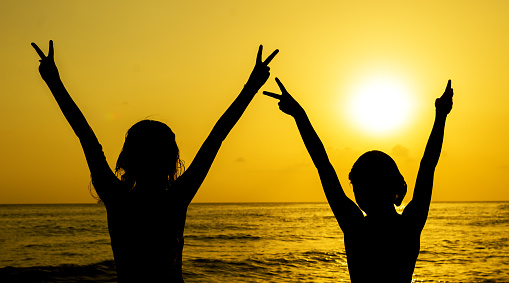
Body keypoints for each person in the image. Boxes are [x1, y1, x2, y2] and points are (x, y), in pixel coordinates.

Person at [31, 40, 278, 283]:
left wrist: (54, 82)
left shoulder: (118, 198)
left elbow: (85, 136)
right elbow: (217, 136)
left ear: (126, 159)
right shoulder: (175, 198)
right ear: (173, 159)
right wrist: (251, 86)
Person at [264, 78, 453, 282]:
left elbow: (323, 166)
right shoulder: (408, 225)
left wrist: (299, 116)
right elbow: (428, 166)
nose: (357, 192)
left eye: (359, 185)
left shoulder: (355, 226)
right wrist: (440, 116)